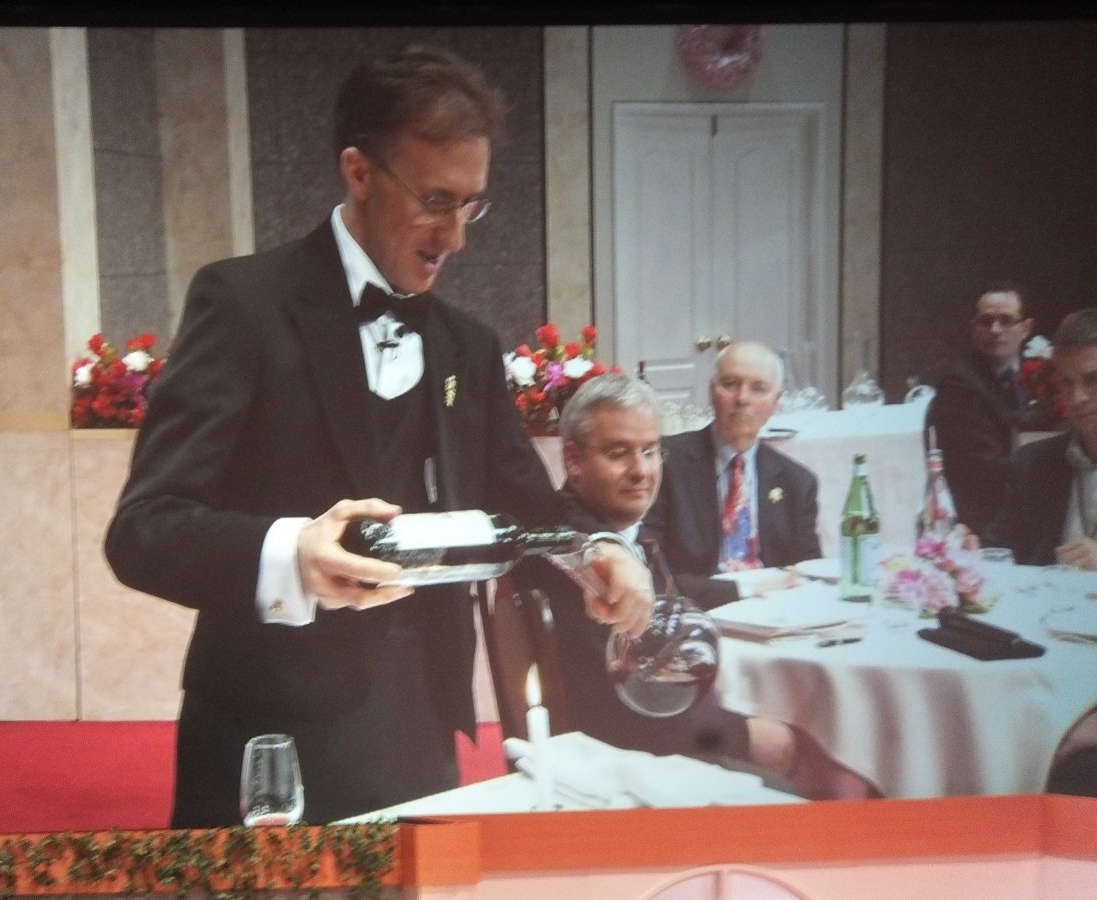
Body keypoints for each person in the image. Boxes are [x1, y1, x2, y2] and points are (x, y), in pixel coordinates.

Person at [103, 44, 650, 827]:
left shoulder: (465, 345)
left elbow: (528, 501)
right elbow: (144, 530)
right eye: (435, 201)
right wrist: (293, 554)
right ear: (359, 172)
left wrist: (598, 550)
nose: (455, 237)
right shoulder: (244, 305)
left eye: (471, 205)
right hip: (268, 737)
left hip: (420, 732)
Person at [511, 373, 879, 799]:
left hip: (652, 724)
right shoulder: (586, 560)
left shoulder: (616, 533)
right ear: (573, 460)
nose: (641, 471)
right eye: (618, 453)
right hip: (626, 759)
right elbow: (630, 714)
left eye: (650, 451)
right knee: (832, 758)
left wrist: (752, 589)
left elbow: (670, 605)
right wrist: (747, 735)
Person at [643, 340, 821, 580]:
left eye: (758, 388)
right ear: (711, 391)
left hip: (775, 600)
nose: (742, 398)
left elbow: (810, 571)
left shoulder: (797, 483)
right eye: (731, 384)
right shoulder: (666, 462)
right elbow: (652, 569)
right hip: (697, 599)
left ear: (775, 402)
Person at [925, 283, 1035, 542]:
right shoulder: (959, 387)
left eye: (1006, 320)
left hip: (1021, 506)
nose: (995, 330)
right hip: (980, 523)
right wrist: (1049, 465)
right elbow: (981, 469)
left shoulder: (1037, 375)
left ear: (1026, 328)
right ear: (973, 328)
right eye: (986, 321)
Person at [991, 307, 1097, 570]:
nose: (1078, 398)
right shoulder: (1034, 463)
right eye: (1068, 384)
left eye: (1093, 380)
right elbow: (999, 549)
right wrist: (968, 547)